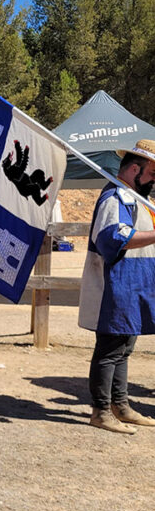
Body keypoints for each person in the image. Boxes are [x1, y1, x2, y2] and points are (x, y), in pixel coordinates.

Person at [78, 139, 155, 433]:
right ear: (134, 168)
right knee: (110, 348)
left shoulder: (135, 198)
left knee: (124, 347)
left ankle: (119, 405)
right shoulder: (116, 197)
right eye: (151, 174)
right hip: (117, 283)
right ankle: (100, 410)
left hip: (134, 282)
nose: (153, 181)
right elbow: (113, 238)